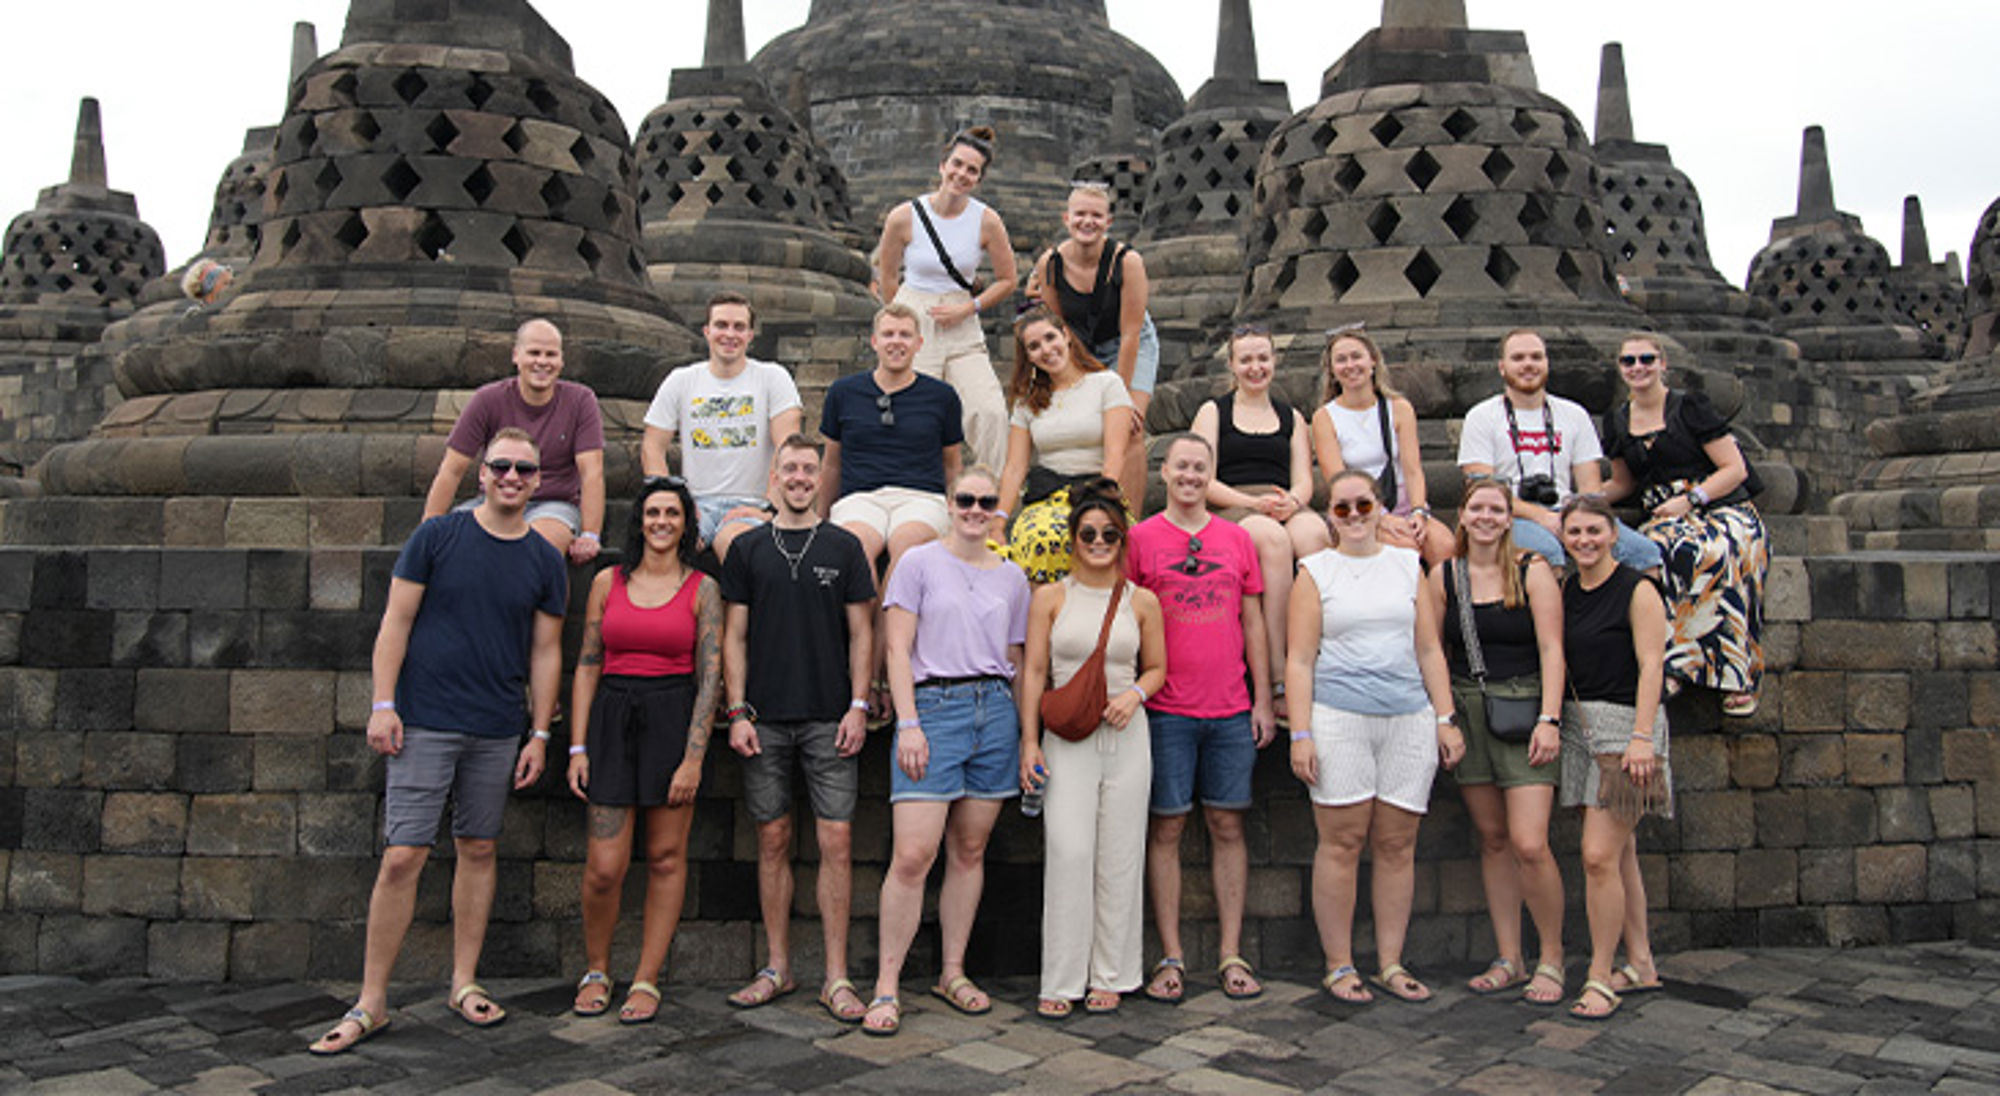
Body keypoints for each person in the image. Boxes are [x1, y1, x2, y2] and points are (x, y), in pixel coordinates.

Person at [309, 428, 567, 1055]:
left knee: (478, 845)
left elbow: (546, 650)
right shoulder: (437, 537)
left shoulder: (543, 558)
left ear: (537, 482)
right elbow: (394, 623)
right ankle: (372, 1000)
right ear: (481, 473)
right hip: (424, 718)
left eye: (525, 470)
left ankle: (464, 981)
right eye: (501, 466)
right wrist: (382, 704)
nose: (512, 477)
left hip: (497, 723)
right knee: (404, 854)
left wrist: (538, 732)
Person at [862, 467, 1032, 1036]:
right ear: (949, 504)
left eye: (987, 501)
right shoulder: (918, 563)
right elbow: (897, 647)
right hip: (935, 708)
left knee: (970, 848)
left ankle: (952, 971)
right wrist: (907, 722)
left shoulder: (1012, 577)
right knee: (913, 855)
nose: (976, 509)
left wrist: (1026, 733)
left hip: (994, 712)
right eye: (966, 500)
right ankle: (886, 985)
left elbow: (1018, 658)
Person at [1286, 470, 1459, 1005]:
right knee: (1341, 842)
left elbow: (1429, 649)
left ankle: (1390, 961)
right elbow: (1299, 659)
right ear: (1329, 517)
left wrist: (1445, 717)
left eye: (1363, 505)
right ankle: (1339, 964)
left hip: (1407, 715)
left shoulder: (1409, 565)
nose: (1355, 515)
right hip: (1340, 716)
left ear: (1381, 507)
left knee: (1396, 843)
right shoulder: (1315, 571)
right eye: (1341, 508)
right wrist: (1301, 733)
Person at [720, 435, 877, 1023]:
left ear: (819, 477)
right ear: (775, 475)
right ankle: (777, 966)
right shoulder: (748, 548)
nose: (800, 477)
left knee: (836, 842)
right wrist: (736, 710)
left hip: (829, 716)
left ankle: (836, 975)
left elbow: (864, 632)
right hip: (762, 718)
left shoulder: (844, 545)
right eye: (790, 468)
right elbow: (734, 636)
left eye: (810, 469)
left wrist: (859, 703)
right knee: (772, 840)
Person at [565, 476, 721, 1024]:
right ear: (640, 520)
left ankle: (648, 977)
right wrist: (577, 746)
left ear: (686, 523)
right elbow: (586, 663)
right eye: (653, 512)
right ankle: (597, 968)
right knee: (605, 865)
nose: (661, 522)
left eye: (672, 514)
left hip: (672, 719)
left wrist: (694, 757)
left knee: (664, 856)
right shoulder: (608, 582)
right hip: (611, 717)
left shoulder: (702, 588)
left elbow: (710, 676)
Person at [1126, 434, 1275, 1003]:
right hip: (1166, 710)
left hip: (1230, 707)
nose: (1190, 476)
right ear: (1164, 472)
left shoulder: (1236, 539)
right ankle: (1170, 956)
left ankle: (1231, 953)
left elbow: (1254, 623)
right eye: (1181, 467)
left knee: (1228, 825)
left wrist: (1264, 697)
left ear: (1210, 477)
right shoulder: (1140, 540)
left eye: (1200, 468)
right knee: (1167, 827)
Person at [1019, 483, 1166, 1019]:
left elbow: (1157, 667)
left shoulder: (1140, 600)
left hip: (1126, 733)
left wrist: (1135, 695)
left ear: (1121, 539)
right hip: (1067, 737)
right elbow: (1034, 672)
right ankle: (1061, 977)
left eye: (1109, 534)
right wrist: (1029, 741)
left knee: (1122, 855)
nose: (1099, 542)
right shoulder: (1050, 598)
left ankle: (1114, 972)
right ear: (1073, 540)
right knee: (1070, 851)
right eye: (1088, 534)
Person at [1426, 479, 1567, 1006]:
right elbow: (1433, 650)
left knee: (1530, 841)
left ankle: (1551, 955)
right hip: (1469, 706)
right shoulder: (1446, 576)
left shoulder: (1531, 571)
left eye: (1496, 509)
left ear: (1510, 518)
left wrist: (1550, 718)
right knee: (1493, 838)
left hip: (1525, 705)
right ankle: (1510, 956)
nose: (1485, 517)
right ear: (1461, 516)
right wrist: (1445, 718)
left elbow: (1553, 648)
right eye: (1476, 508)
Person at [1602, 334, 1768, 717]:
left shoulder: (1688, 408)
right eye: (1629, 361)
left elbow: (1735, 469)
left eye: (1646, 359)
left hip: (1719, 506)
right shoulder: (1617, 422)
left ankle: (1734, 674)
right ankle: (1680, 663)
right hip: (1662, 516)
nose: (1638, 367)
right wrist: (1584, 501)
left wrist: (1692, 500)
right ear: (1621, 368)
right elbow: (1623, 483)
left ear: (1663, 365)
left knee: (1718, 552)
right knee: (1665, 551)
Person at [1558, 494, 1672, 1022]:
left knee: (1598, 856)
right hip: (1582, 730)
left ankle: (1600, 975)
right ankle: (1641, 961)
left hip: (1628, 728)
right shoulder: (1568, 589)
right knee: (1620, 854)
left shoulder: (1637, 589)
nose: (1584, 541)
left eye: (1594, 532)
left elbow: (1653, 665)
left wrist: (1643, 737)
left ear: (1613, 536)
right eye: (1575, 532)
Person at [1456, 329, 1662, 571]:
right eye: (1518, 358)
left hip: (1568, 510)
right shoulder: (1482, 416)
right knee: (1547, 552)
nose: (1528, 365)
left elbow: (1590, 488)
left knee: (1645, 554)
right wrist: (1540, 516)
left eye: (1536, 357)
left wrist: (1580, 522)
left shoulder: (1574, 414)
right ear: (1502, 367)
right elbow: (1481, 488)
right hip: (1510, 514)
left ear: (1547, 363)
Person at [876, 126, 1018, 472]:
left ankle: (993, 499)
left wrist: (969, 307)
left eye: (972, 170)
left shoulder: (986, 221)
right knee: (913, 410)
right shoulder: (903, 217)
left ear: (979, 178)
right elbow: (888, 276)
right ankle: (912, 488)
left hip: (962, 316)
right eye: (957, 164)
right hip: (913, 310)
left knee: (989, 411)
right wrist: (900, 322)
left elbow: (1008, 279)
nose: (962, 174)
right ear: (943, 165)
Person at [1192, 324, 1329, 680]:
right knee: (1273, 540)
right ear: (1233, 366)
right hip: (1232, 503)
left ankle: (1319, 648)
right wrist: (1251, 504)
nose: (1256, 368)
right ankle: (1278, 668)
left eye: (1263, 358)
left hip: (1282, 500)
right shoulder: (1213, 412)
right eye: (1246, 360)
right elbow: (1201, 479)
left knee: (1314, 534)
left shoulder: (1292, 417)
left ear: (1274, 361)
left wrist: (1294, 500)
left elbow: (1303, 478)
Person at [423, 319, 606, 564]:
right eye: (534, 353)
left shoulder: (581, 401)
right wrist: (427, 531)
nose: (542, 362)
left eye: (551, 354)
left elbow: (592, 471)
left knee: (537, 546)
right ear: (516, 356)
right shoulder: (487, 399)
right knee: (456, 540)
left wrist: (590, 534)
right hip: (494, 500)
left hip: (553, 504)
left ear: (561, 361)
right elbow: (452, 468)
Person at [640, 292, 803, 562]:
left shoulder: (773, 377)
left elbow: (787, 446)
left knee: (735, 546)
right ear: (706, 331)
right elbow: (652, 448)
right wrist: (675, 503)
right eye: (721, 325)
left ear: (751, 335)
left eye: (739, 327)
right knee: (665, 550)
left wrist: (769, 507)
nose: (730, 334)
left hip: (751, 503)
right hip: (694, 503)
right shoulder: (681, 380)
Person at [1033, 183, 1159, 504]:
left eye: (1096, 215)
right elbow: (1058, 328)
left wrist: (1121, 396)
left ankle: (1128, 518)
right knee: (1084, 424)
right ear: (1066, 218)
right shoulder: (1051, 264)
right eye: (1080, 214)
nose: (1087, 222)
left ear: (1108, 222)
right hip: (1080, 346)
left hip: (1129, 342)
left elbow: (1131, 333)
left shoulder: (1128, 262)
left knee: (1128, 427)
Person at [998, 305, 1133, 583]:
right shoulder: (1026, 402)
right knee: (1040, 538)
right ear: (1028, 357)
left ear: (1066, 335)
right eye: (1034, 346)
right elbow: (1015, 467)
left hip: (1098, 491)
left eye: (1050, 338)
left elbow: (1115, 453)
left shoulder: (1107, 384)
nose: (1046, 350)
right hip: (1047, 498)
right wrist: (998, 521)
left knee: (1096, 535)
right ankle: (1042, 621)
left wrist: (1100, 504)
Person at [1308, 327, 1451, 563]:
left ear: (1372, 361)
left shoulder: (1399, 408)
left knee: (1445, 547)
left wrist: (1418, 512)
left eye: (1356, 356)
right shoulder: (1324, 418)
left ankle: (1443, 599)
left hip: (1404, 500)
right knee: (1404, 549)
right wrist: (1381, 517)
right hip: (1358, 509)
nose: (1350, 365)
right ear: (1332, 371)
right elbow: (1337, 480)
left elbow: (1413, 470)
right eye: (1341, 360)